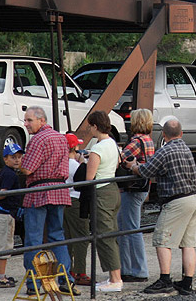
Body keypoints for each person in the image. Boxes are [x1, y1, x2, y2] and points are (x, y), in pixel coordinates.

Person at [127, 118, 196, 296]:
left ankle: (165, 280)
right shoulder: (186, 148)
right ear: (181, 134)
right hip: (195, 198)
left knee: (162, 240)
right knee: (188, 243)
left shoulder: (165, 151)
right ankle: (186, 283)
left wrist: (133, 166)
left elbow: (146, 171)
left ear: (164, 135)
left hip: (176, 201)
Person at [19, 106, 79, 296]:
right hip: (59, 190)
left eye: (29, 120)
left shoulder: (38, 139)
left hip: (39, 191)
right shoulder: (61, 138)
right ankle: (65, 279)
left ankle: (33, 282)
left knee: (34, 239)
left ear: (41, 121)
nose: (26, 124)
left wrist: (20, 165)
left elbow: (28, 170)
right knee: (57, 236)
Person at [84, 111, 123, 292]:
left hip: (101, 193)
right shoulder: (112, 143)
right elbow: (114, 166)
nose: (88, 128)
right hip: (113, 189)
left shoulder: (96, 149)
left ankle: (115, 280)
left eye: (90, 125)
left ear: (95, 126)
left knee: (104, 235)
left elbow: (89, 177)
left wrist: (82, 160)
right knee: (111, 234)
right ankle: (114, 276)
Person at [118, 109, 155, 283]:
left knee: (131, 229)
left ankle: (138, 270)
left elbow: (121, 158)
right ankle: (127, 269)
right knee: (126, 227)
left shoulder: (136, 141)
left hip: (132, 189)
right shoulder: (148, 140)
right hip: (143, 187)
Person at [0, 143, 24, 289]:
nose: (17, 160)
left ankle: (0, 275)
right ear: (5, 159)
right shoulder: (10, 174)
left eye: (19, 157)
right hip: (3, 214)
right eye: (12, 157)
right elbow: (3, 193)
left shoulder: (5, 172)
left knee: (2, 245)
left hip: (0, 214)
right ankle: (0, 277)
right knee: (4, 246)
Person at [62, 132, 90, 286]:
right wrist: (83, 162)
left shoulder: (60, 163)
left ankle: (68, 270)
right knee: (82, 236)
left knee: (67, 237)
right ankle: (80, 272)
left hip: (64, 201)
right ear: (74, 147)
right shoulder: (75, 165)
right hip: (76, 200)